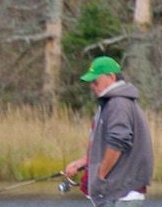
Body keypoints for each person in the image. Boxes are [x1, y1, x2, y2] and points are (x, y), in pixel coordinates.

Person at [62, 56, 153, 206]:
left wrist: (100, 175)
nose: (92, 85)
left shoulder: (118, 104)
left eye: (95, 81)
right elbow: (109, 146)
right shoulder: (113, 103)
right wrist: (82, 163)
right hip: (116, 193)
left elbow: (118, 143)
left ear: (111, 77)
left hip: (122, 195)